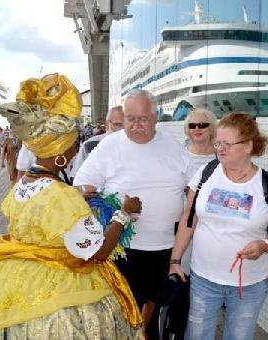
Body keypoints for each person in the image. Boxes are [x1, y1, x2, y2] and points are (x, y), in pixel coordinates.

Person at [0, 74, 144, 339]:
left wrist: (74, 199)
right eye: (74, 145)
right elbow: (98, 253)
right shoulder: (62, 196)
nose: (77, 150)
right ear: (61, 155)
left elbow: (41, 210)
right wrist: (124, 214)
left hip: (13, 275)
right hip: (59, 286)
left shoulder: (22, 185)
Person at [73, 89, 195, 328]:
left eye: (143, 119)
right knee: (122, 315)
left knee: (157, 318)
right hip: (123, 251)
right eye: (131, 119)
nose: (136, 125)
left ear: (155, 117)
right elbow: (82, 186)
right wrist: (113, 208)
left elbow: (192, 191)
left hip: (165, 250)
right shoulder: (109, 146)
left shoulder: (173, 147)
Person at [169, 112, 268, 340]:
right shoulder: (206, 173)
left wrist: (265, 244)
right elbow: (188, 219)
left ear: (248, 146)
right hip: (203, 279)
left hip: (249, 285)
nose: (220, 148)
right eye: (218, 143)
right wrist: (174, 260)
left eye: (227, 144)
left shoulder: (267, 184)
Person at [179, 108, 218, 273]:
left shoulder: (222, 154)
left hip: (212, 221)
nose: (197, 129)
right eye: (192, 125)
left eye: (202, 125)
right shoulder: (178, 153)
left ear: (212, 129)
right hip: (182, 220)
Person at [70, 105, 124, 178]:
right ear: (107, 124)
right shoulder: (91, 145)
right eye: (118, 125)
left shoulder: (138, 145)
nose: (124, 129)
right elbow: (75, 176)